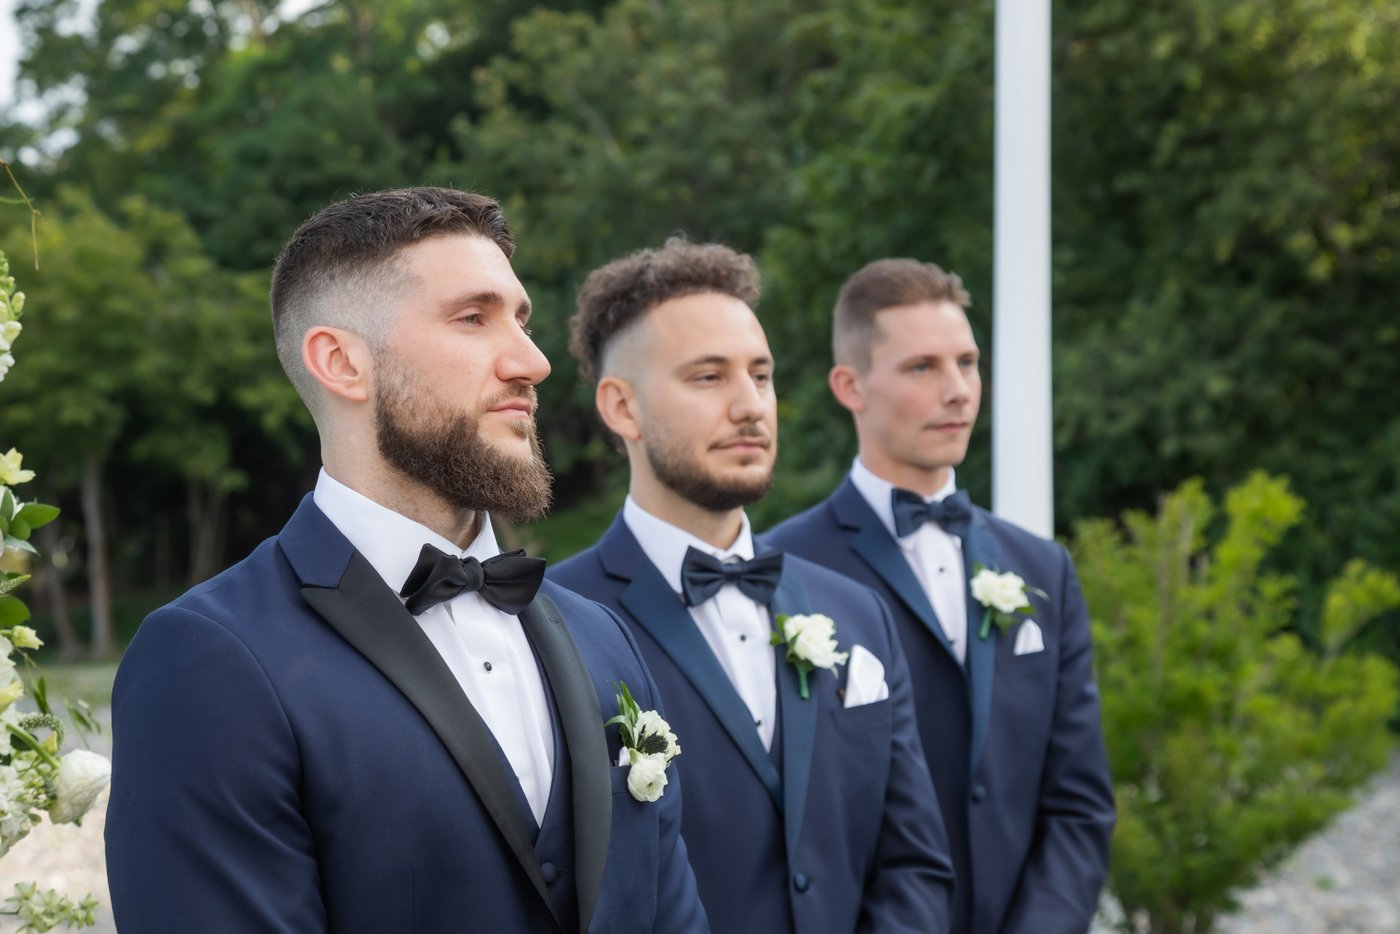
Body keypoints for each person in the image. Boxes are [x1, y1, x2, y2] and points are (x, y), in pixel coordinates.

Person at [104, 188, 707, 934]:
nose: (533, 362)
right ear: (341, 363)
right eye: (472, 319)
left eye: (522, 321)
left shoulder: (604, 640)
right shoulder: (207, 661)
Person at [549, 238, 956, 934]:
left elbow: (914, 864)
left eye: (761, 375)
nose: (750, 407)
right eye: (708, 378)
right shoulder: (556, 624)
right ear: (622, 407)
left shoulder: (858, 614)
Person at [763, 258, 1115, 933]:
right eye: (922, 367)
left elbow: (1079, 803)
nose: (958, 391)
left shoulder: (1043, 569)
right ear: (850, 385)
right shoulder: (783, 568)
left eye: (968, 363)